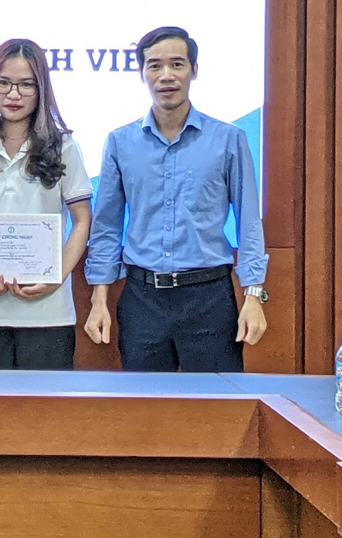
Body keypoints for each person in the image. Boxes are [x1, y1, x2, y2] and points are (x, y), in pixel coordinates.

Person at [83, 26, 268, 372]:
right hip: (142, 299)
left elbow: (248, 221)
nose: (166, 75)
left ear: (193, 70)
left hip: (209, 297)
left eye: (177, 64)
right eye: (154, 65)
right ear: (142, 73)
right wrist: (99, 299)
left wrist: (253, 295)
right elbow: (106, 226)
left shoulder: (228, 139)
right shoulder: (120, 142)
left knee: (215, 401)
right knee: (145, 403)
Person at [0, 39, 93, 370]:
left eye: (26, 84)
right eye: (3, 83)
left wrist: (55, 277)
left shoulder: (63, 146)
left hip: (48, 312)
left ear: (41, 89)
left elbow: (82, 220)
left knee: (45, 404)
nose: (13, 95)